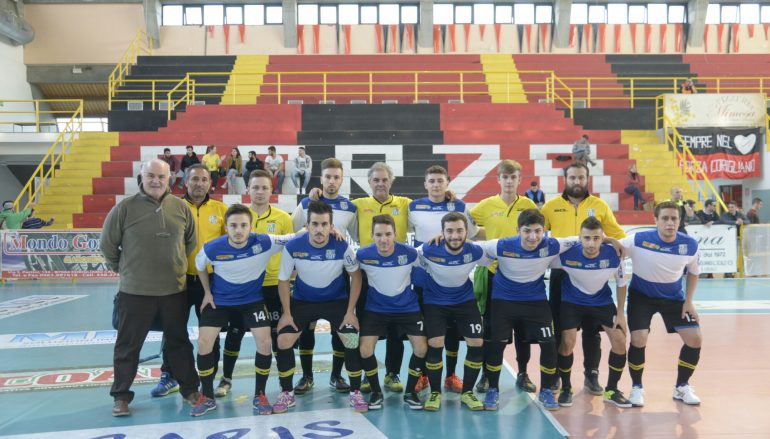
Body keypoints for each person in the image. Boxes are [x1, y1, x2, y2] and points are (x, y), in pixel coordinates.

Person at [100, 159, 200, 417]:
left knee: (179, 343)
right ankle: (121, 396)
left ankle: (190, 390)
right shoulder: (124, 208)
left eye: (161, 176)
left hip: (173, 291)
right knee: (128, 346)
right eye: (151, 175)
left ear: (170, 179)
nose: (156, 180)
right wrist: (125, 269)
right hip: (135, 292)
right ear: (141, 177)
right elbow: (107, 245)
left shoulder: (181, 207)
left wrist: (175, 265)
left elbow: (190, 242)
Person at [190, 203, 296, 417]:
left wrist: (327, 229)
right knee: (203, 343)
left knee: (265, 342)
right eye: (233, 225)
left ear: (251, 227)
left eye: (243, 225)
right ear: (226, 227)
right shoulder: (212, 248)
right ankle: (207, 397)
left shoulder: (264, 242)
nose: (238, 230)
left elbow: (293, 237)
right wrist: (207, 293)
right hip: (220, 301)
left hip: (252, 301)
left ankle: (260, 395)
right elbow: (199, 266)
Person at [479, 209, 580, 411]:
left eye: (538, 231)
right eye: (527, 231)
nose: (533, 237)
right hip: (504, 301)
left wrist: (610, 240)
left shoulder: (552, 245)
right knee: (496, 345)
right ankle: (493, 390)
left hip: (535, 301)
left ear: (544, 231)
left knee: (549, 343)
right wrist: (439, 240)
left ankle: (546, 390)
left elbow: (581, 239)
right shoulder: (501, 245)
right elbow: (469, 247)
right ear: (518, 230)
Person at [541, 162, 626, 397]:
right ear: (565, 179)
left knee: (592, 329)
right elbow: (538, 235)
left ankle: (591, 374)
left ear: (587, 179)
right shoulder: (550, 206)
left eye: (580, 177)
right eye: (572, 177)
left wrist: (607, 240)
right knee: (561, 328)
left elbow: (618, 235)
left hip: (590, 271)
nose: (576, 181)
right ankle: (558, 374)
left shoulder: (599, 205)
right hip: (563, 272)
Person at [273, 201, 367, 413]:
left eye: (324, 224)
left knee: (352, 339)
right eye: (314, 224)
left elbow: (356, 276)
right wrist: (286, 313)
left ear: (331, 226)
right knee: (283, 339)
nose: (319, 229)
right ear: (307, 225)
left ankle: (355, 392)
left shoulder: (341, 246)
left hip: (335, 301)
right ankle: (286, 393)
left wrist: (350, 312)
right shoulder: (293, 246)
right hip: (303, 301)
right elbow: (283, 280)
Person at [211, 170, 294, 398]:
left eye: (264, 187)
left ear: (271, 190)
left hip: (273, 286)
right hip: (243, 287)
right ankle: (226, 379)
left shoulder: (283, 218)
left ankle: (284, 385)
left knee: (276, 336)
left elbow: (292, 250)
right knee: (235, 332)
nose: (259, 192)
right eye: (255, 187)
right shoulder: (238, 218)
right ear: (248, 189)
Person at [149, 164, 227, 398]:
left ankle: (208, 378)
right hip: (178, 280)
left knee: (210, 332)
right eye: (194, 179)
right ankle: (170, 375)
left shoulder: (221, 209)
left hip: (210, 284)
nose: (199, 184)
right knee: (173, 330)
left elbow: (228, 245)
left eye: (204, 179)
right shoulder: (171, 206)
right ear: (185, 181)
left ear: (210, 183)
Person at [620, 201, 702, 407]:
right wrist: (606, 239)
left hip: (673, 298)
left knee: (695, 339)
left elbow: (694, 272)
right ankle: (636, 387)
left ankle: (681, 386)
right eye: (665, 218)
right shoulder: (638, 239)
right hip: (641, 297)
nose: (670, 223)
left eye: (674, 218)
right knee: (638, 339)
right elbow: (615, 248)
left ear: (679, 221)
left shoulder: (690, 245)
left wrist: (689, 301)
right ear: (655, 220)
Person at [408, 165, 478, 394]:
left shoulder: (459, 206)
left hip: (450, 278)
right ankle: (423, 375)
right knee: (428, 332)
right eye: (432, 181)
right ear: (425, 184)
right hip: (423, 278)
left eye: (440, 181)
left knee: (452, 333)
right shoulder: (413, 206)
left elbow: (473, 233)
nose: (436, 185)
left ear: (448, 183)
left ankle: (450, 375)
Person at [470, 159, 538, 394]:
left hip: (522, 276)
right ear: (498, 180)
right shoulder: (486, 205)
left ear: (520, 180)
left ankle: (523, 373)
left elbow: (537, 233)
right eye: (505, 177)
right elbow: (466, 223)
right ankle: (486, 375)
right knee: (490, 328)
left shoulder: (529, 205)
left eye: (513, 177)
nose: (509, 181)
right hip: (493, 275)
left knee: (522, 328)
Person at [291, 158, 357, 395]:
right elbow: (294, 231)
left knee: (339, 330)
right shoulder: (307, 203)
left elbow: (357, 238)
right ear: (321, 179)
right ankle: (307, 376)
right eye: (328, 177)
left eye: (336, 177)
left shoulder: (350, 208)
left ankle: (336, 375)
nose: (331, 181)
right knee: (306, 329)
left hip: (338, 276)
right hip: (308, 274)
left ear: (342, 179)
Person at [553, 217, 631, 408]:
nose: (591, 243)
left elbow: (621, 283)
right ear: (579, 238)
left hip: (601, 301)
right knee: (567, 342)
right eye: (586, 238)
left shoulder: (614, 255)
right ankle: (566, 388)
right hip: (572, 301)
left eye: (596, 238)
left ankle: (611, 389)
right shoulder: (565, 254)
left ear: (602, 238)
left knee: (620, 340)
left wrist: (621, 314)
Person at [417, 212, 490, 412]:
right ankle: (435, 393)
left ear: (467, 232)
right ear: (442, 233)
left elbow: (499, 250)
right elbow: (404, 256)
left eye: (459, 230)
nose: (455, 236)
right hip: (435, 302)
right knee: (435, 344)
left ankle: (467, 393)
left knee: (477, 343)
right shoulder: (428, 249)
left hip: (464, 301)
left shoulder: (476, 251)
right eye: (449, 231)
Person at [357, 214, 428, 410]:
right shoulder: (362, 255)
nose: (384, 239)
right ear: (372, 235)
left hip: (407, 307)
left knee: (421, 348)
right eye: (379, 235)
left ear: (395, 234)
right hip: (376, 308)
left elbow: (431, 259)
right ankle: (375, 392)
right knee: (365, 350)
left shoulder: (411, 253)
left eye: (388, 234)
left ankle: (411, 392)